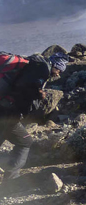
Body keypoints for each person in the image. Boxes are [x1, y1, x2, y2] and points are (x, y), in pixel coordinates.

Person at [0, 53, 67, 181]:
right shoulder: (42, 69)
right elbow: (23, 88)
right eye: (59, 69)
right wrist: (39, 94)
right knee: (25, 142)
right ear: (55, 65)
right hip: (8, 113)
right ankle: (11, 179)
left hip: (5, 110)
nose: (58, 73)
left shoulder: (35, 67)